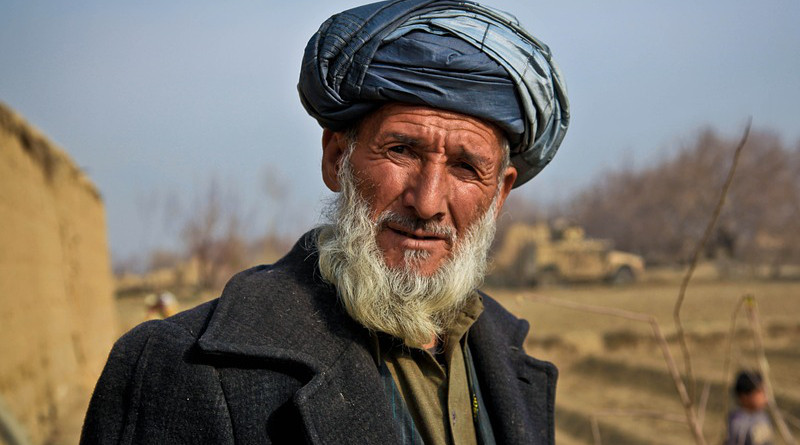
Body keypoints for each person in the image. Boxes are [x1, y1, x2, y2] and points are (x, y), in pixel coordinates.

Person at [80, 0, 569, 443]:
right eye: (401, 150)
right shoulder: (184, 369)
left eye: (465, 168)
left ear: (500, 193)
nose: (427, 202)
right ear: (337, 158)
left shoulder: (510, 363)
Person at [725, 371, 775, 445]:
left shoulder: (763, 417)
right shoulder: (737, 422)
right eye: (759, 392)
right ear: (744, 397)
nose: (765, 396)